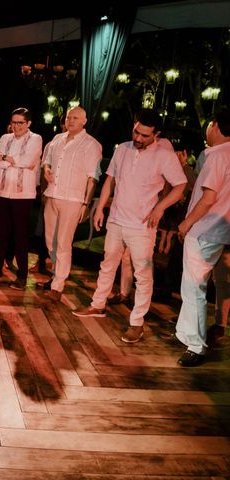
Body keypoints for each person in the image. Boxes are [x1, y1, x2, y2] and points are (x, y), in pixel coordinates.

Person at [72, 109, 187, 343]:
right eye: (137, 132)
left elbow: (180, 186)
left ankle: (137, 323)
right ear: (134, 126)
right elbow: (111, 179)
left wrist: (159, 208)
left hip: (142, 225)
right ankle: (97, 305)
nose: (138, 139)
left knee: (143, 275)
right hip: (116, 219)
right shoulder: (123, 148)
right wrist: (101, 207)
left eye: (145, 136)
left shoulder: (164, 156)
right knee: (108, 264)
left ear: (157, 134)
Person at [174, 110, 230, 366]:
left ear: (216, 126)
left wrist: (186, 223)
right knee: (205, 285)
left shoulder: (216, 156)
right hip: (222, 230)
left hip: (205, 229)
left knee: (194, 287)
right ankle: (191, 333)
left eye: (210, 124)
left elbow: (208, 198)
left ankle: (196, 345)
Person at [40, 106, 102, 300]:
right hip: (53, 194)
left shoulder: (91, 144)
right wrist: (46, 170)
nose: (71, 120)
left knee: (64, 242)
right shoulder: (57, 140)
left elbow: (93, 176)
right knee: (50, 240)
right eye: (68, 117)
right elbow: (46, 162)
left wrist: (86, 203)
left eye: (75, 118)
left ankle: (58, 285)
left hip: (73, 199)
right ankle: (56, 274)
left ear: (84, 121)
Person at [0, 108, 42, 290]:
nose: (16, 126)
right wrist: (11, 161)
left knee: (20, 235)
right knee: (1, 233)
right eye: (14, 122)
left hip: (22, 194)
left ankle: (22, 275)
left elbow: (29, 161)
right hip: (1, 191)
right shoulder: (4, 138)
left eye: (20, 123)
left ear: (28, 123)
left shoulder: (35, 139)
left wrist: (7, 158)